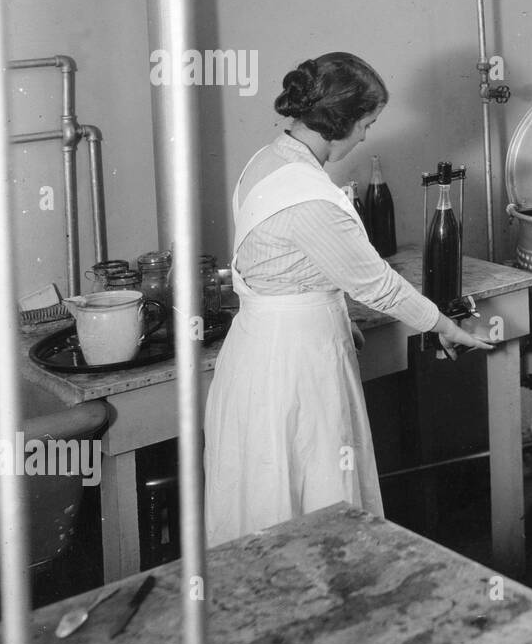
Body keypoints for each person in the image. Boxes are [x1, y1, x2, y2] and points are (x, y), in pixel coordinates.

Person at [204, 53, 491, 546]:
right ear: (339, 123)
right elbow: (376, 284)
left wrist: (333, 312)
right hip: (294, 368)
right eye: (366, 124)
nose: (365, 137)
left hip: (261, 351)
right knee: (310, 502)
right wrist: (444, 325)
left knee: (269, 499)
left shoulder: (270, 159)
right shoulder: (311, 197)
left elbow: (284, 267)